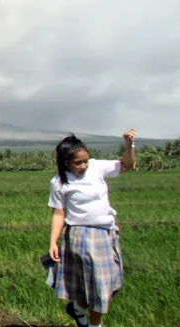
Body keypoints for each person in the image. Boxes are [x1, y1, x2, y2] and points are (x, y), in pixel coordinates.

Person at [44, 130, 136, 327]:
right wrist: (53, 242)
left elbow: (127, 165)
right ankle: (95, 325)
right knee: (98, 287)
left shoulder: (96, 167)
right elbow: (59, 213)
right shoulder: (59, 183)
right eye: (78, 163)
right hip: (81, 236)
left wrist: (129, 145)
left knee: (108, 285)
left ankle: (77, 308)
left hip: (107, 234)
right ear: (65, 162)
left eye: (85, 160)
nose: (83, 166)